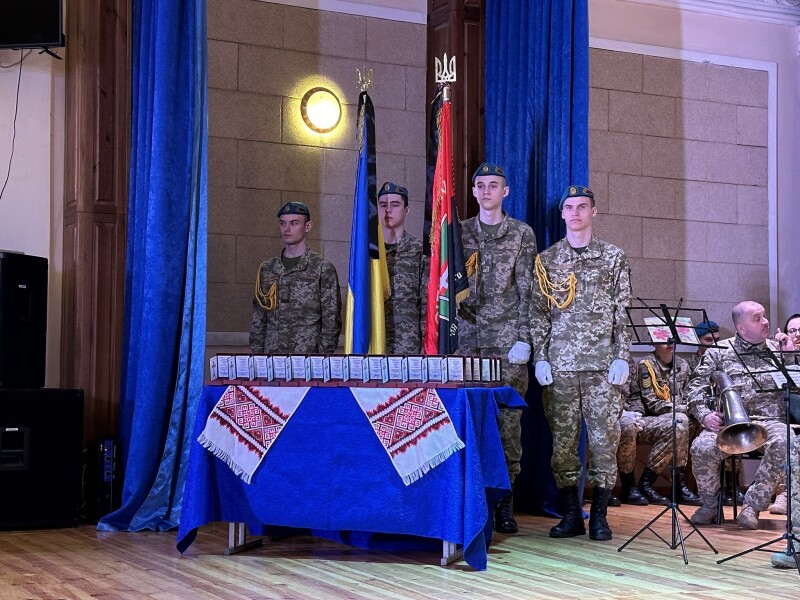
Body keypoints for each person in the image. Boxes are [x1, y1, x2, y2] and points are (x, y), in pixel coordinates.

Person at [530, 184, 632, 541]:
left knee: (605, 443)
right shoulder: (546, 260)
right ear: (562, 214)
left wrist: (622, 356)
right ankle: (572, 514)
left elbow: (622, 312)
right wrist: (540, 357)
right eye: (569, 207)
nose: (575, 213)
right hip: (560, 368)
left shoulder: (613, 257)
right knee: (563, 446)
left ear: (594, 211)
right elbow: (539, 315)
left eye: (582, 206)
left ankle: (600, 515)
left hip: (602, 369)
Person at [457, 162, 537, 534]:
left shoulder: (521, 233)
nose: (487, 191)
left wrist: (525, 338)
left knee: (508, 426)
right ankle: (467, 501)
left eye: (494, 185)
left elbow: (528, 291)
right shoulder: (457, 233)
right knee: (466, 422)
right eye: (481, 185)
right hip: (466, 344)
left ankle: (504, 503)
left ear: (505, 191)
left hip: (507, 346)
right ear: (473, 191)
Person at [687, 301, 796, 530]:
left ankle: (752, 506)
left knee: (786, 441)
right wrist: (705, 415)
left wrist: (790, 357)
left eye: (764, 316)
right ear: (741, 328)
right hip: (730, 423)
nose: (766, 322)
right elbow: (694, 388)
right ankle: (710, 505)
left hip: (770, 422)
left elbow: (795, 388)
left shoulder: (778, 349)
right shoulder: (719, 351)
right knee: (701, 447)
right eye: (757, 318)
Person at [249, 201, 342, 354]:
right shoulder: (268, 268)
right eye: (283, 223)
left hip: (307, 356)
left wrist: (321, 358)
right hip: (272, 356)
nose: (287, 229)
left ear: (308, 226)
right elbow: (259, 317)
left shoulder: (322, 268)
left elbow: (331, 320)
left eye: (294, 223)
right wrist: (258, 356)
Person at [629, 343, 702, 505]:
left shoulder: (682, 365)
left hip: (678, 419)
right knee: (679, 422)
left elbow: (689, 394)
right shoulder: (646, 366)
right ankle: (647, 483)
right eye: (663, 339)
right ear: (653, 343)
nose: (669, 343)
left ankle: (682, 485)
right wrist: (685, 409)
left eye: (671, 338)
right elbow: (653, 404)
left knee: (695, 423)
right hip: (648, 420)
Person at [377, 182, 425, 354]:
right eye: (383, 205)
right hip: (373, 341)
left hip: (408, 344)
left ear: (407, 210)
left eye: (395, 205)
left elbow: (427, 303)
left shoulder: (419, 251)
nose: (388, 210)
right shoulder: (368, 252)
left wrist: (427, 346)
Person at [611, 357, 648, 506]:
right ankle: (603, 487)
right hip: (600, 413)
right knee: (616, 426)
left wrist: (637, 413)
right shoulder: (595, 356)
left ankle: (628, 485)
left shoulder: (627, 361)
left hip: (626, 413)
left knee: (629, 424)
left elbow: (635, 395)